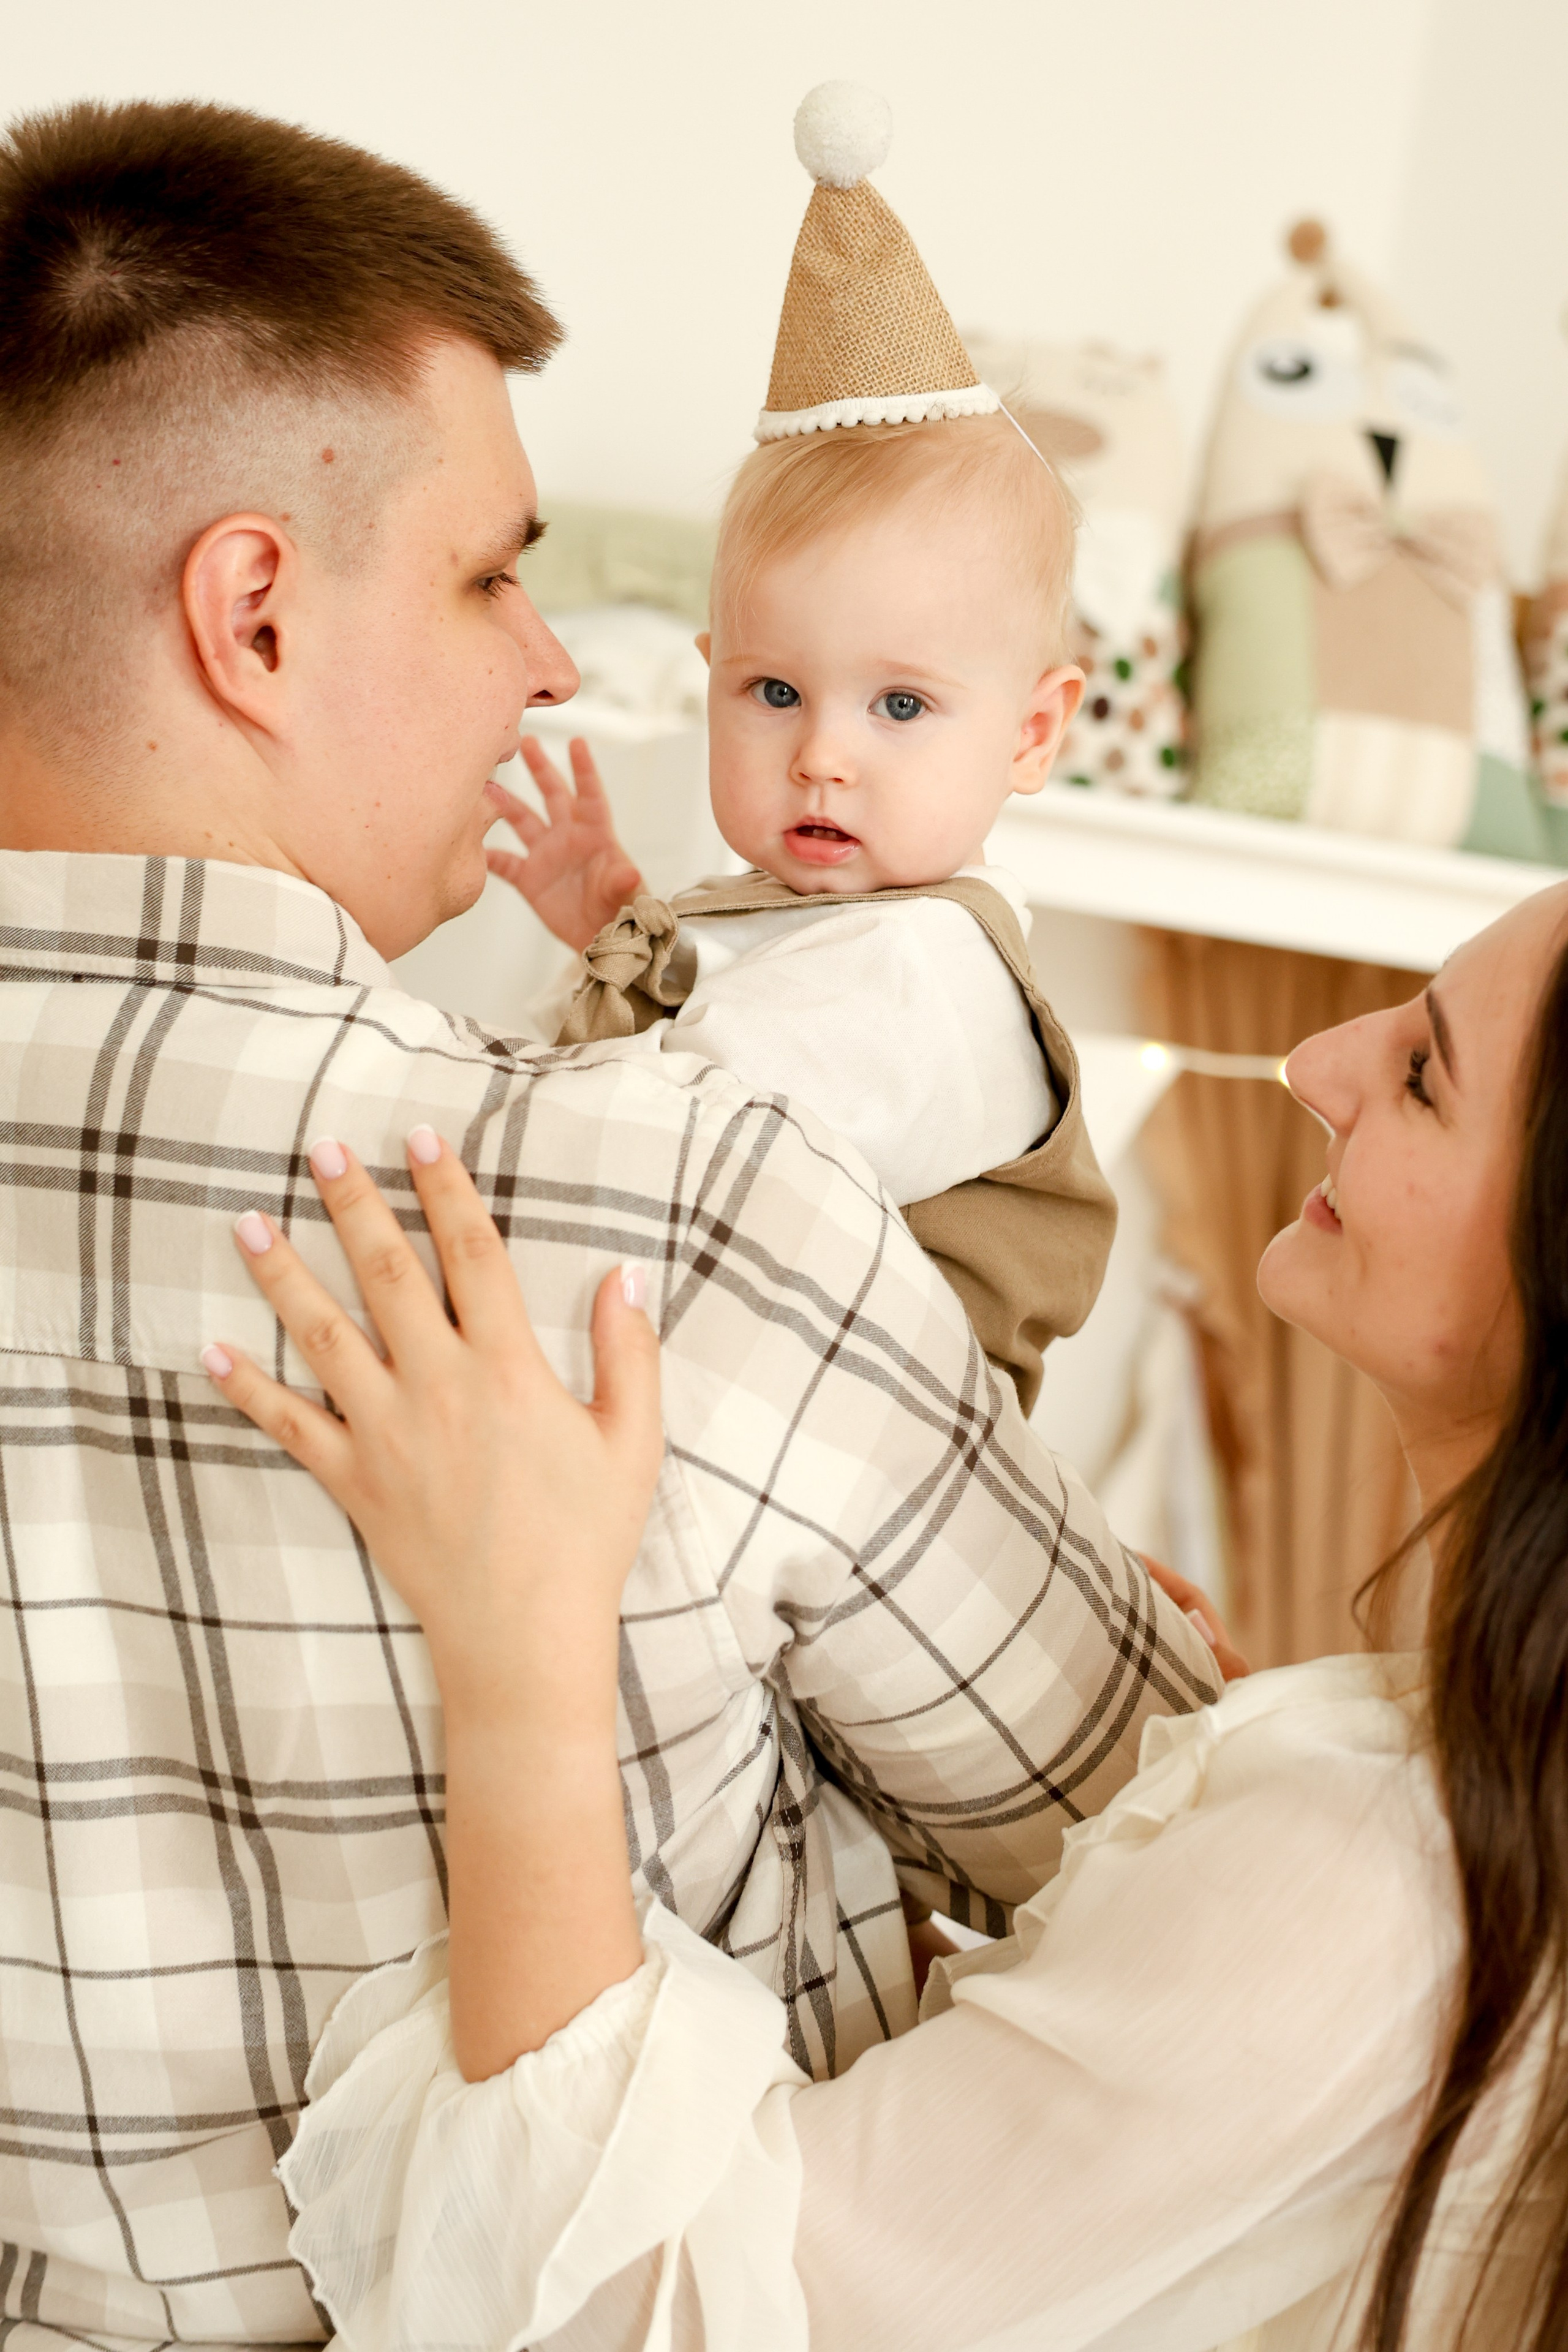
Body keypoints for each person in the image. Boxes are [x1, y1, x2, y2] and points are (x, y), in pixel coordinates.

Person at [0, 97, 1219, 2346]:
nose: (556, 666)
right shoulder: (667, 1197)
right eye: (491, 573)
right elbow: (1201, 1895)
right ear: (254, 612)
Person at [209, 878, 1568, 2350]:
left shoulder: (1378, 1863)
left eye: (1424, 1076)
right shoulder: (1407, 1817)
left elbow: (633, 2315)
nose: (1318, 1064)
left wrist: (523, 1647)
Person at [492, 83, 1110, 1412]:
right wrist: (620, 925)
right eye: (772, 691)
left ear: (1034, 730)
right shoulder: (817, 923)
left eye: (898, 707)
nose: (822, 755)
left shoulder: (923, 968)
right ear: (709, 683)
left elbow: (674, 1144)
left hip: (856, 1464)